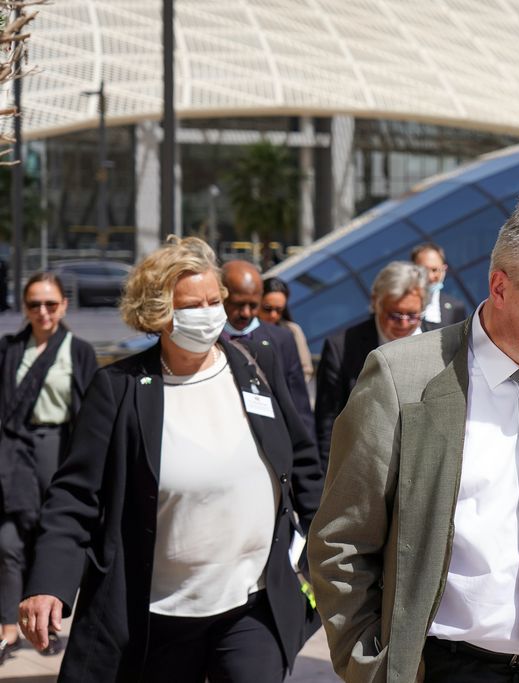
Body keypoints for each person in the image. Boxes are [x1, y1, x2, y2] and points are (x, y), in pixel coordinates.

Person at [309, 192, 519, 683]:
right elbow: (342, 542)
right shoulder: (401, 378)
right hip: (454, 667)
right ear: (500, 287)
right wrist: (372, 667)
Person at [17, 237, 322, 683]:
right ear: (159, 314)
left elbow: (301, 462)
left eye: (214, 300)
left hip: (253, 605)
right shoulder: (119, 388)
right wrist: (49, 583)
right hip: (157, 614)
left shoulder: (257, 364)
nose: (209, 313)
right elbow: (74, 497)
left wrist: (324, 551)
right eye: (192, 305)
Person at [0, 274, 97, 662]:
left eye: (51, 304)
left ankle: (45, 625)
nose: (43, 312)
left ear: (64, 306)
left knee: (49, 537)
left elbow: (91, 412)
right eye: (35, 304)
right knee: (8, 541)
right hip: (13, 453)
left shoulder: (79, 350)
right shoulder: (9, 349)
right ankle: (8, 625)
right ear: (24, 308)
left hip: (59, 452)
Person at [313, 261, 427, 469]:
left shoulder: (439, 343)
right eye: (394, 315)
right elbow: (328, 423)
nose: (403, 324)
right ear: (376, 302)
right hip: (361, 468)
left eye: (412, 316)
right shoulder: (342, 348)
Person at [221, 260, 315, 439]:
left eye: (253, 305)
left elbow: (299, 407)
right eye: (238, 304)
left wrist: (308, 461)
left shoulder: (284, 338)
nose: (246, 313)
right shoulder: (209, 337)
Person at [259, 277, 314, 385]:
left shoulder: (292, 331)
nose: (273, 315)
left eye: (279, 310)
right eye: (267, 308)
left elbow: (306, 369)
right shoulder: (247, 332)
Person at [411, 242, 467, 331]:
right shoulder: (401, 305)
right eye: (424, 270)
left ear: (444, 270)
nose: (429, 276)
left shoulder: (456, 308)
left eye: (434, 270)